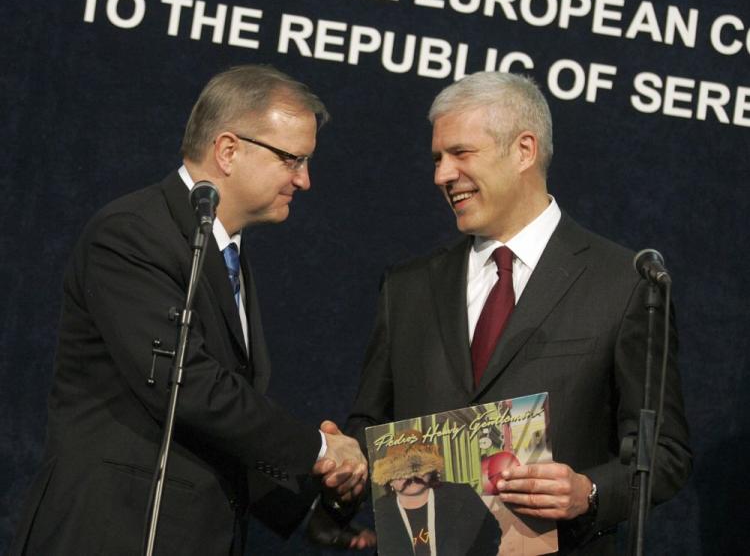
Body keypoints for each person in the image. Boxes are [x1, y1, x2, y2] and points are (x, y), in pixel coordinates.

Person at [9, 64, 366, 556]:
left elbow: (209, 429)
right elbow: (186, 382)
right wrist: (319, 449)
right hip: (113, 531)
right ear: (228, 150)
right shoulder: (133, 233)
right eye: (292, 159)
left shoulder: (225, 254)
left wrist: (303, 509)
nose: (304, 180)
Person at [329, 71, 692, 554]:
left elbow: (664, 454)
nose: (441, 175)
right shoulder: (407, 287)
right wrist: (347, 468)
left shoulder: (623, 283)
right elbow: (371, 426)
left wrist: (590, 492)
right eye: (438, 158)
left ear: (524, 150)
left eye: (460, 153)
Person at [371, 430, 501, 556]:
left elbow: (491, 534)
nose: (410, 475)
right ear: (389, 480)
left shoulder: (462, 495)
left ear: (431, 469)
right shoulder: (379, 510)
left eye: (417, 466)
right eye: (400, 470)